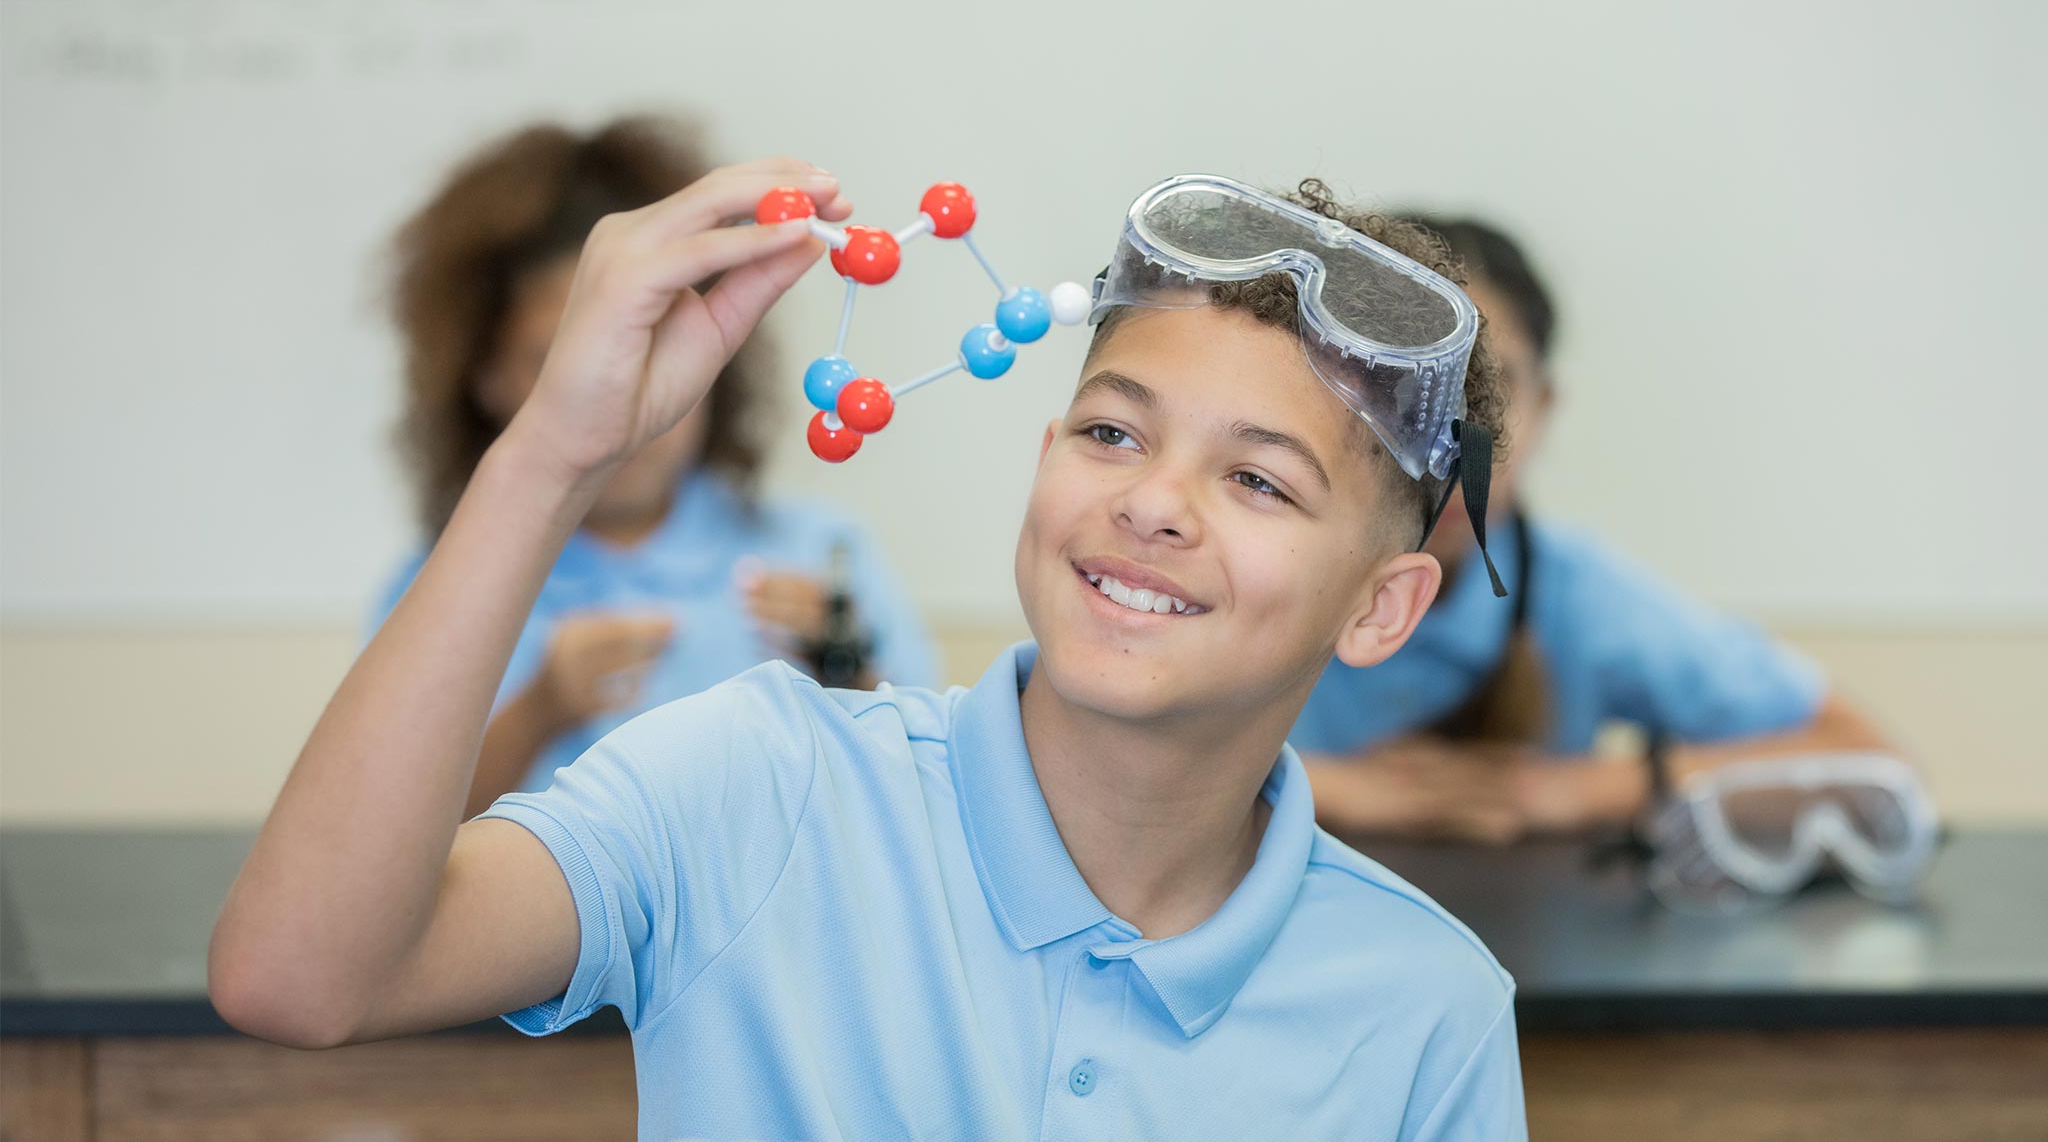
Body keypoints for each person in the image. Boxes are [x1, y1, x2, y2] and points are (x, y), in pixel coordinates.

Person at [212, 164, 1526, 1138]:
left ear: (1383, 605)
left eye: (1259, 478)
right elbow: (299, 975)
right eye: (1112, 432)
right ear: (1045, 459)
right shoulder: (759, 784)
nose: (1153, 501)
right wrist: (555, 451)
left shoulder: (1427, 1006)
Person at [378, 119, 938, 815]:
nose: (617, 385)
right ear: (483, 374)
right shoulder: (443, 586)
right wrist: (535, 714)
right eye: (555, 355)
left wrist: (848, 670)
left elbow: (925, 796)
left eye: (654, 342)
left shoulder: (824, 554)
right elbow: (378, 841)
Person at [1293, 218, 1896, 845]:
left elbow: (1871, 764)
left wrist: (1569, 790)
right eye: (1403, 383)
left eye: (1490, 391)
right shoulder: (1257, 565)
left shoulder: (1572, 593)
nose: (1449, 438)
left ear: (1544, 409)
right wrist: (1334, 790)